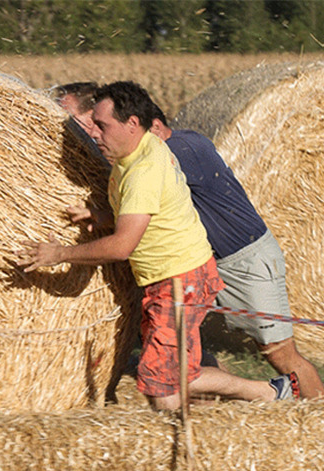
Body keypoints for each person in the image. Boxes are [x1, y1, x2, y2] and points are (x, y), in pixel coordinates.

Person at [17, 81, 300, 410]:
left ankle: (268, 391)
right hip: (174, 276)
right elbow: (150, 211)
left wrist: (60, 254)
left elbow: (122, 246)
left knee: (161, 387)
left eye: (103, 125)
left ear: (132, 123)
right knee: (180, 375)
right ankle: (248, 405)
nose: (94, 133)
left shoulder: (142, 171)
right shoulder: (138, 149)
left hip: (181, 280)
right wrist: (103, 214)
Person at [149, 105, 324, 400]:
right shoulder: (181, 143)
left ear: (154, 126)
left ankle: (316, 418)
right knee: (188, 343)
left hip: (245, 261)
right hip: (210, 262)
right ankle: (229, 407)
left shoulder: (178, 150)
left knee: (280, 354)